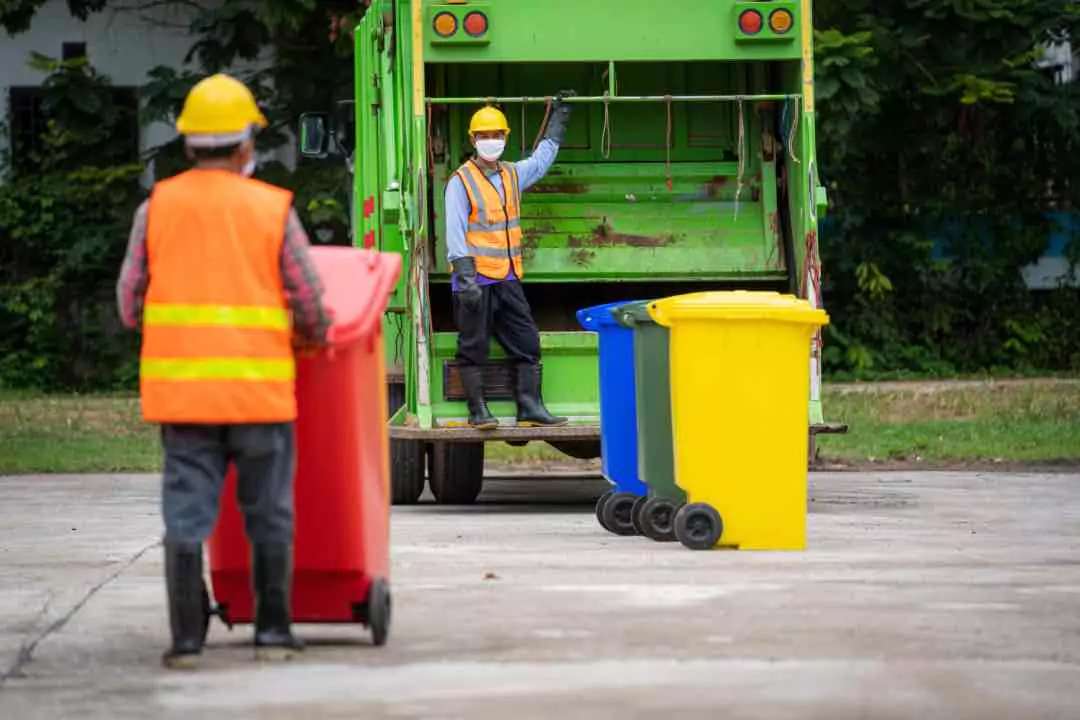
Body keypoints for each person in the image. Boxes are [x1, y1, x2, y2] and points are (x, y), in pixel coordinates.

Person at [115, 74, 332, 668]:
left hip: (183, 399)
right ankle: (271, 634)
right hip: (258, 395)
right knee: (268, 511)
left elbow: (130, 302)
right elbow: (309, 300)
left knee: (186, 514)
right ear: (244, 147)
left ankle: (187, 641)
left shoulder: (154, 209)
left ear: (189, 145)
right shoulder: (271, 209)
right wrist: (316, 335)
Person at [446, 91, 576, 429]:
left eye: (497, 135)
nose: (492, 141)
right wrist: (465, 277)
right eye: (485, 136)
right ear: (473, 139)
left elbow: (542, 159)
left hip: (506, 277)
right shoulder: (460, 182)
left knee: (527, 341)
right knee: (473, 346)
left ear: (506, 138)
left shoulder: (511, 175)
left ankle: (529, 407)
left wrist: (559, 119)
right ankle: (478, 412)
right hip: (475, 280)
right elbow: (455, 231)